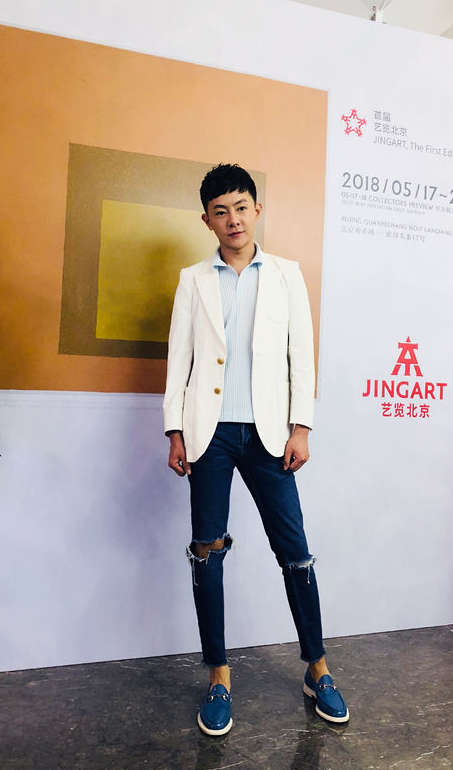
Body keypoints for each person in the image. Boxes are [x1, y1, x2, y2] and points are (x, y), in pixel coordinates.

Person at [163, 163, 348, 736]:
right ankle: (219, 676)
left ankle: (317, 669)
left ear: (256, 210)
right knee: (207, 550)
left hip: (270, 436)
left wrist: (302, 426)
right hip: (209, 434)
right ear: (207, 220)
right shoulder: (193, 280)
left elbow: (301, 356)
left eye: (241, 207)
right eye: (221, 211)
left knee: (295, 551)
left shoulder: (287, 275)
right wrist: (175, 430)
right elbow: (179, 360)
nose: (233, 219)